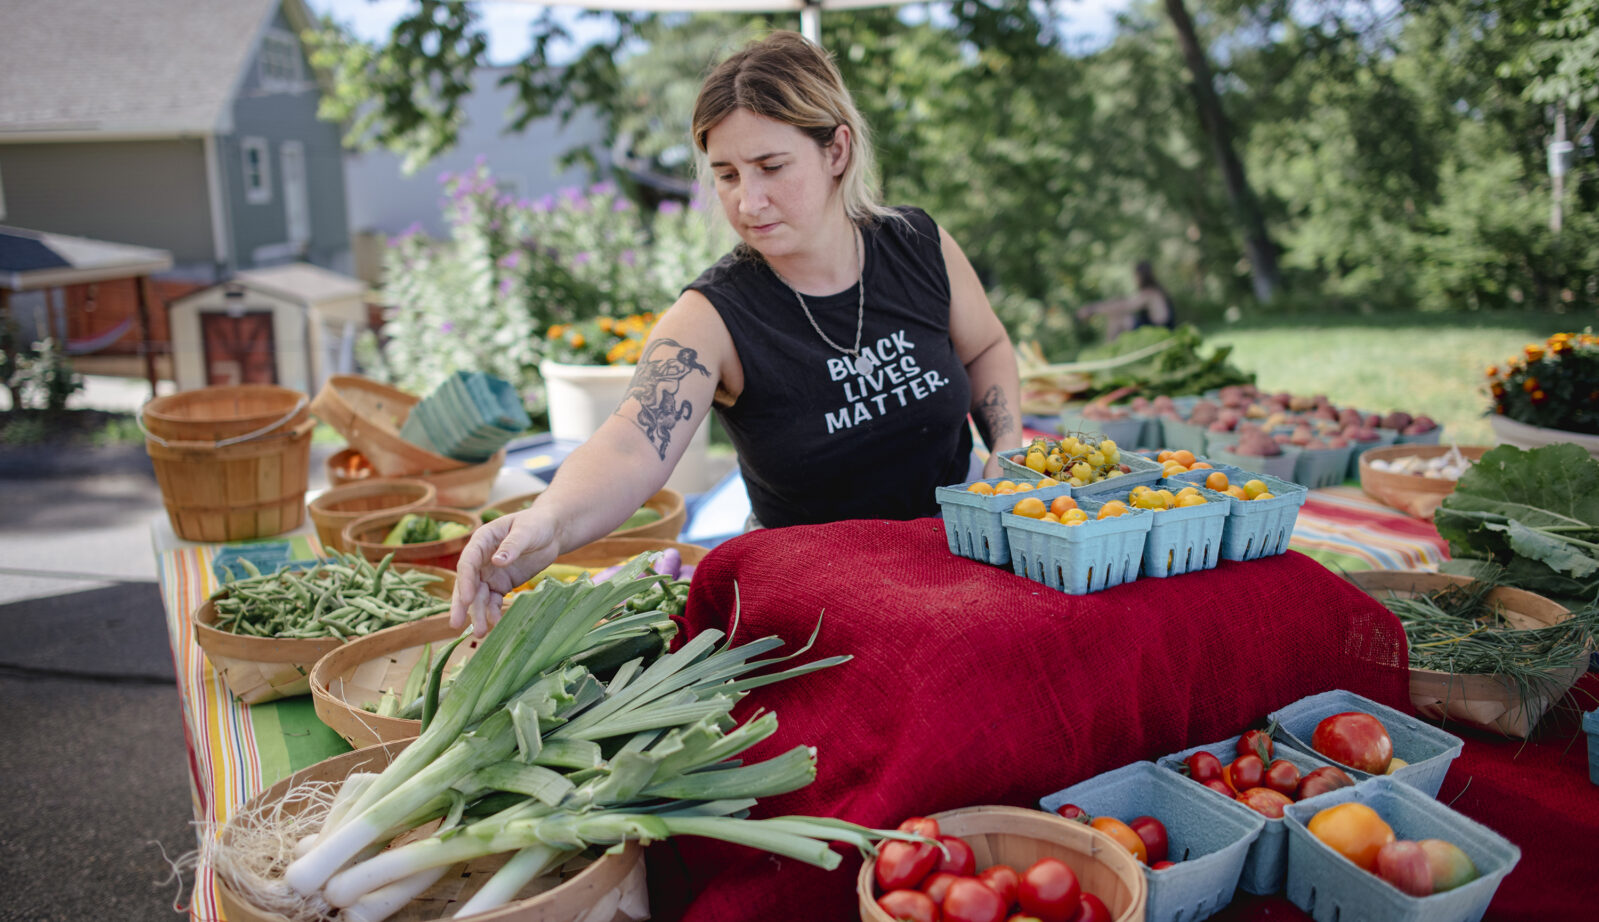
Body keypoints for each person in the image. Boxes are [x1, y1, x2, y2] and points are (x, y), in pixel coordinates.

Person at [451, 31, 1022, 636]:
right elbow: (631, 443)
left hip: (960, 562)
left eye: (771, 167)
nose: (749, 201)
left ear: (836, 151)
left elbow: (985, 347)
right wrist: (549, 522)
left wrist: (1006, 445)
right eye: (726, 175)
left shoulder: (917, 245)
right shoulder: (713, 315)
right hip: (818, 612)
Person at [1074, 260, 1177, 341]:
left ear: (1141, 276)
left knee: (1118, 318)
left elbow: (1124, 306)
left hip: (1161, 332)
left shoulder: (1150, 293)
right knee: (1117, 316)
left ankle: (1110, 355)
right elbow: (1123, 303)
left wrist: (1091, 309)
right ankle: (1110, 354)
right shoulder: (1154, 292)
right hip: (1156, 329)